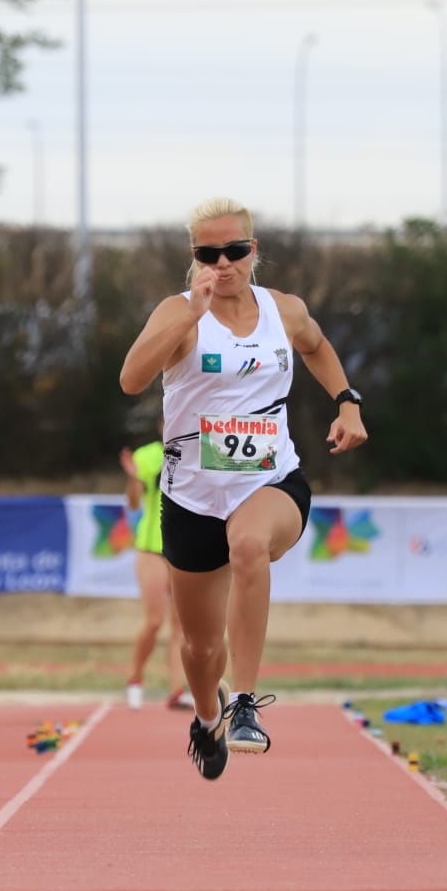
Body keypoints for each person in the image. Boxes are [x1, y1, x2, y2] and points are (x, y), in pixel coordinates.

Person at [119, 197, 368, 780]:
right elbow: (132, 379)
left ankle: (246, 704)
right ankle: (207, 717)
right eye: (210, 254)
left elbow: (317, 347)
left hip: (271, 477)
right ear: (195, 258)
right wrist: (188, 316)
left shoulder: (284, 309)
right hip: (193, 498)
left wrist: (348, 402)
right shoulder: (178, 311)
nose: (223, 263)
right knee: (200, 651)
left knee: (251, 546)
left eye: (235, 251)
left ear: (254, 251)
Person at [119, 431, 191, 712]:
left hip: (184, 549)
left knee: (183, 627)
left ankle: (177, 689)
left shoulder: (200, 449)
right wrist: (133, 477)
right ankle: (135, 678)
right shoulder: (148, 455)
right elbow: (134, 503)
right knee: (154, 621)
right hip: (152, 549)